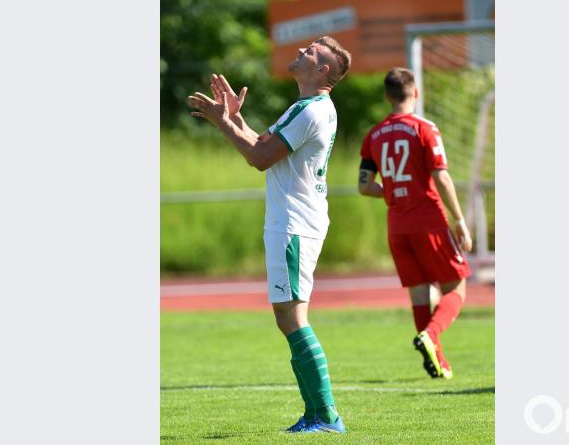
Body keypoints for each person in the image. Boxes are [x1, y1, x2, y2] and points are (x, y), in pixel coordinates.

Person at [188, 36, 351, 433]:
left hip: (294, 222)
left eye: (312, 52)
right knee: (287, 316)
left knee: (292, 316)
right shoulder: (309, 108)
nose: (302, 51)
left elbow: (259, 158)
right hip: (296, 220)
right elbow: (265, 145)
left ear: (323, 70)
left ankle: (325, 415)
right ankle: (317, 414)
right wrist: (235, 120)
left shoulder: (310, 110)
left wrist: (221, 122)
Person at [358, 67, 473, 380]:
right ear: (416, 93)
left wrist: (394, 193)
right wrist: (460, 219)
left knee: (420, 295)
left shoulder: (374, 135)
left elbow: (365, 185)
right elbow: (441, 175)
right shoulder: (425, 128)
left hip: (397, 223)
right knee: (457, 287)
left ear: (387, 96)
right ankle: (431, 336)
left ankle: (439, 363)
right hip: (428, 219)